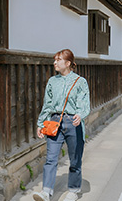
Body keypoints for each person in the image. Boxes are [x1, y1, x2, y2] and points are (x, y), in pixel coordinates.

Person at [32, 49, 90, 201]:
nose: (55, 63)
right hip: (55, 122)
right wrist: (40, 123)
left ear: (68, 63)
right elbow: (47, 104)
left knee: (75, 159)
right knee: (50, 158)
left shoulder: (80, 81)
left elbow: (84, 103)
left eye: (58, 60)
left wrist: (80, 114)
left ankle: (73, 190)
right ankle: (46, 192)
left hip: (73, 123)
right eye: (54, 59)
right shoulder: (52, 81)